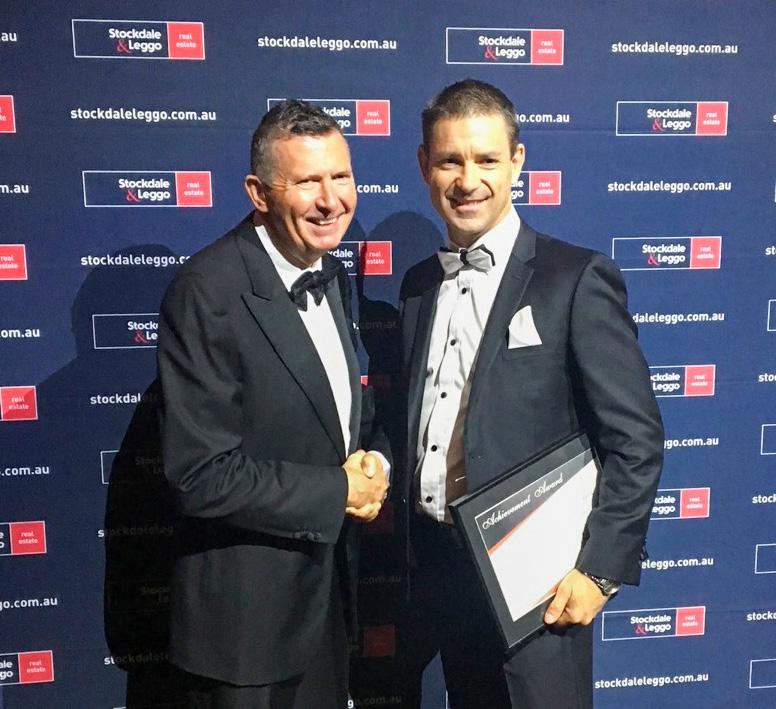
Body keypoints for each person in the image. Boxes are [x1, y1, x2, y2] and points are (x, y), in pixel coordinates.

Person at [396, 79, 664, 708]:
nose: (468, 180)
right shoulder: (416, 286)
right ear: (424, 165)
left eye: (487, 159)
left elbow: (636, 440)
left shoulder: (575, 278)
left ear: (517, 162)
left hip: (541, 589)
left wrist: (600, 570)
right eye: (450, 160)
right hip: (441, 574)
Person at [157, 99, 389, 709]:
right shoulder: (207, 292)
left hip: (324, 608)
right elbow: (201, 476)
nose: (331, 200)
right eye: (307, 181)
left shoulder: (332, 274)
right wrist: (340, 492)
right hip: (246, 635)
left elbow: (338, 418)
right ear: (258, 193)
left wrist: (374, 463)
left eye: (341, 176)